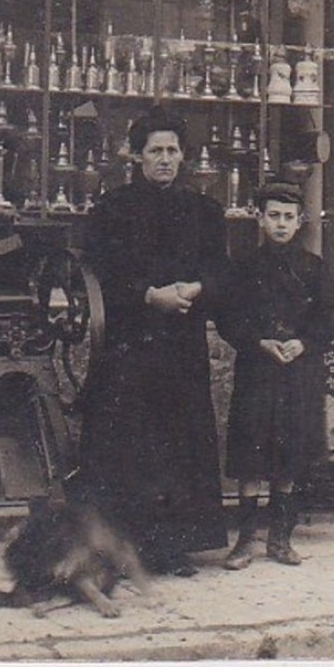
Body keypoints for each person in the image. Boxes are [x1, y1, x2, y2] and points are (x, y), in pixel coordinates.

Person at [74, 108, 229, 575]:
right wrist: (148, 296)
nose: (165, 159)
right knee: (130, 444)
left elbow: (219, 270)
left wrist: (197, 289)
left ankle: (173, 547)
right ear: (136, 156)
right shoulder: (112, 209)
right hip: (130, 346)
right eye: (155, 150)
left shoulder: (205, 211)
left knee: (178, 442)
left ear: (184, 156)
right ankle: (124, 547)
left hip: (182, 345)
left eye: (173, 151)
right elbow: (100, 273)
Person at [215, 179, 334, 569]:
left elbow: (332, 316)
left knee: (289, 456)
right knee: (252, 456)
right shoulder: (244, 267)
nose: (281, 224)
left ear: (301, 221)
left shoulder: (313, 267)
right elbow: (229, 318)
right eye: (273, 216)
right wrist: (259, 342)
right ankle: (244, 542)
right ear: (259, 218)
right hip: (258, 372)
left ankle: (281, 540)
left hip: (298, 373)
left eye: (289, 217)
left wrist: (305, 343)